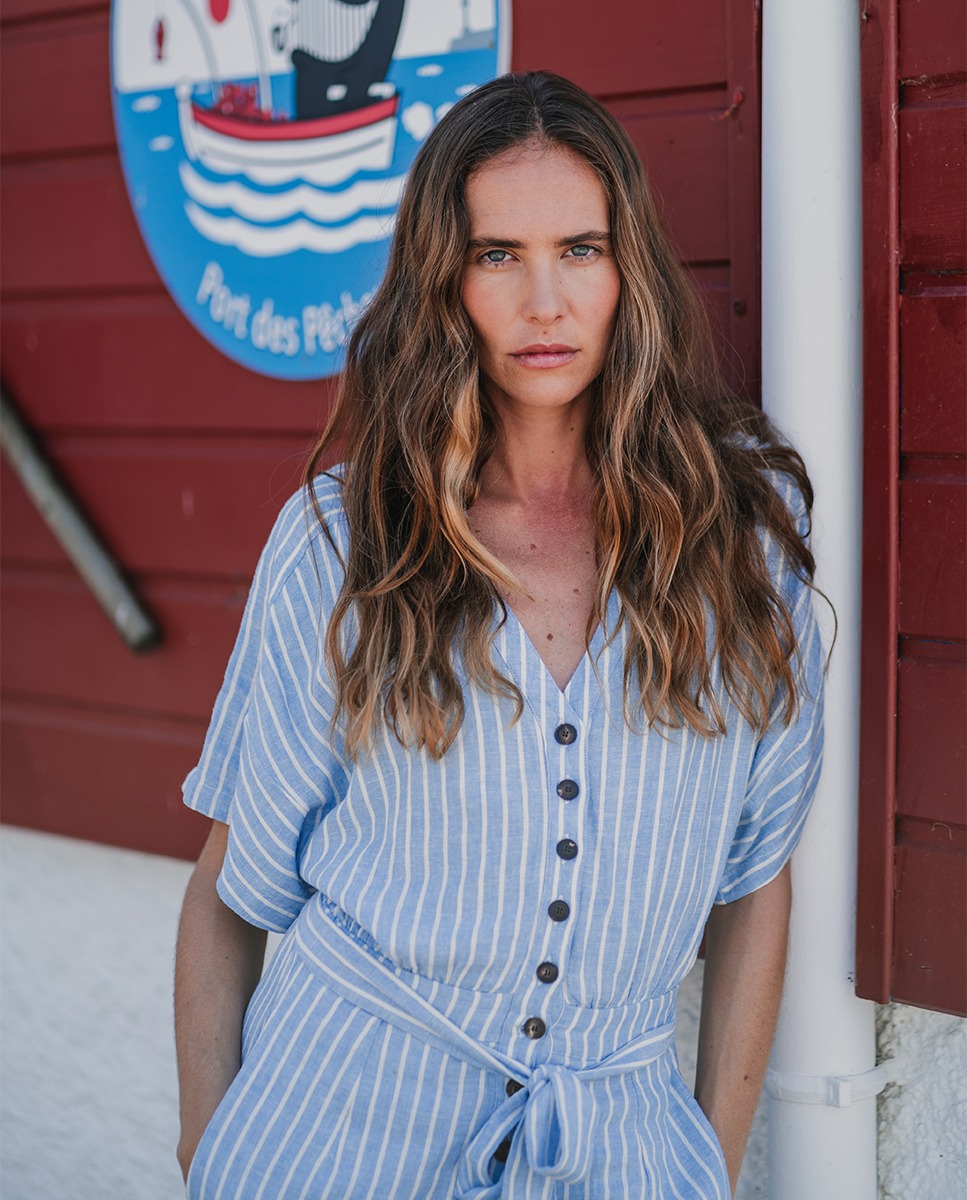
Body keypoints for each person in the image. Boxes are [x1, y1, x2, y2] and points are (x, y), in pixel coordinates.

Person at [174, 70, 825, 1199]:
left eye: (579, 249)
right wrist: (208, 1149)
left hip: (618, 1150)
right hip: (330, 1138)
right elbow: (232, 891)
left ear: (629, 270)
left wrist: (710, 1165)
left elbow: (756, 881)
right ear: (445, 282)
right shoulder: (347, 542)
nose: (544, 303)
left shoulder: (744, 532)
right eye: (496, 255)